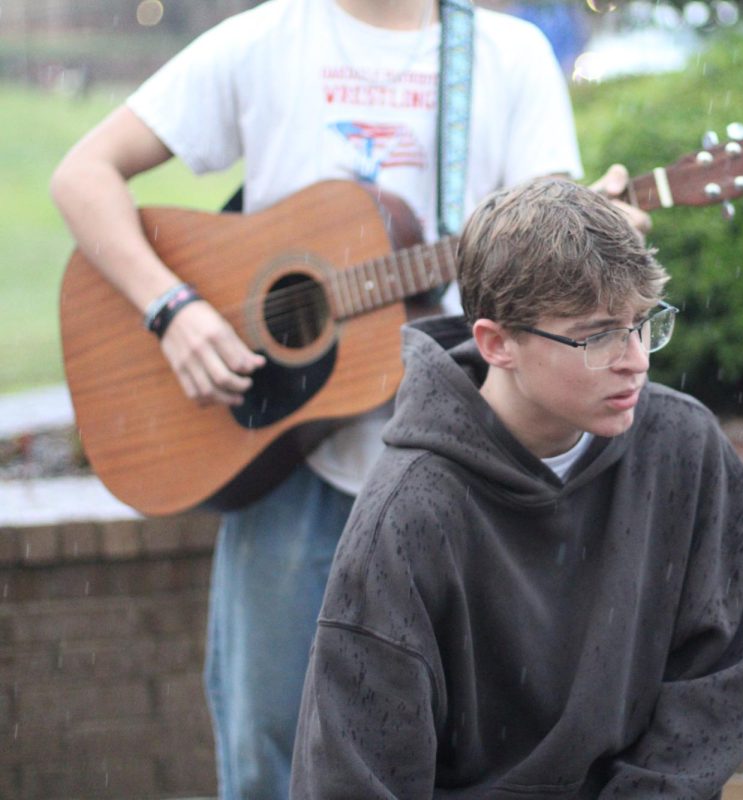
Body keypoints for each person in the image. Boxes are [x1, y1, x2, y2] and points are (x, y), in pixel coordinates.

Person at [49, 1, 647, 797]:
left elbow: (543, 272)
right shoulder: (265, 39)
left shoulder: (508, 56)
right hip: (290, 470)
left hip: (464, 475)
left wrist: (599, 244)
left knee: (469, 752)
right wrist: (172, 308)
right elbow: (80, 174)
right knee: (268, 745)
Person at [290, 176, 743, 798]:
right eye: (598, 334)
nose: (637, 358)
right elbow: (355, 772)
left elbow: (725, 668)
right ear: (498, 344)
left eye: (642, 323)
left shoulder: (685, 447)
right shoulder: (406, 513)